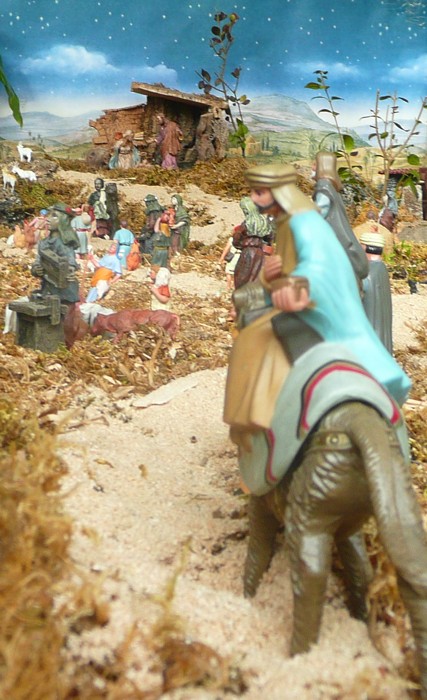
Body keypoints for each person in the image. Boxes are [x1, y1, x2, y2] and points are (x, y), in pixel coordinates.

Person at [224, 164, 410, 433]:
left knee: (260, 337)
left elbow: (317, 267)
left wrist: (292, 288)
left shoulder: (304, 223)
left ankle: (273, 418)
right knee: (252, 327)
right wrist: (267, 282)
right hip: (301, 299)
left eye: (260, 192)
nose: (254, 199)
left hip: (320, 307)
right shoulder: (286, 224)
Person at [312, 151, 369, 287]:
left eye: (315, 164)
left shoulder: (324, 186)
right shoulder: (331, 187)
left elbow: (319, 212)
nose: (312, 168)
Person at [31, 203, 80, 303]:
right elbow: (38, 261)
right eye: (49, 215)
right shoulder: (43, 243)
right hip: (47, 289)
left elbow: (70, 261)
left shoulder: (64, 244)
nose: (48, 219)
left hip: (64, 293)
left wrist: (70, 270)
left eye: (54, 216)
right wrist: (36, 269)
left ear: (63, 221)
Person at [359, 229, 393, 354]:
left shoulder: (366, 273)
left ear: (366, 248)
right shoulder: (381, 268)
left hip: (369, 340)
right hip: (382, 337)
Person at [232, 196, 274, 289]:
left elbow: (237, 238)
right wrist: (266, 244)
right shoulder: (264, 222)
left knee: (243, 275)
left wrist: (239, 245)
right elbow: (270, 237)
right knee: (256, 275)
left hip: (247, 251)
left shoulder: (247, 223)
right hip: (259, 252)